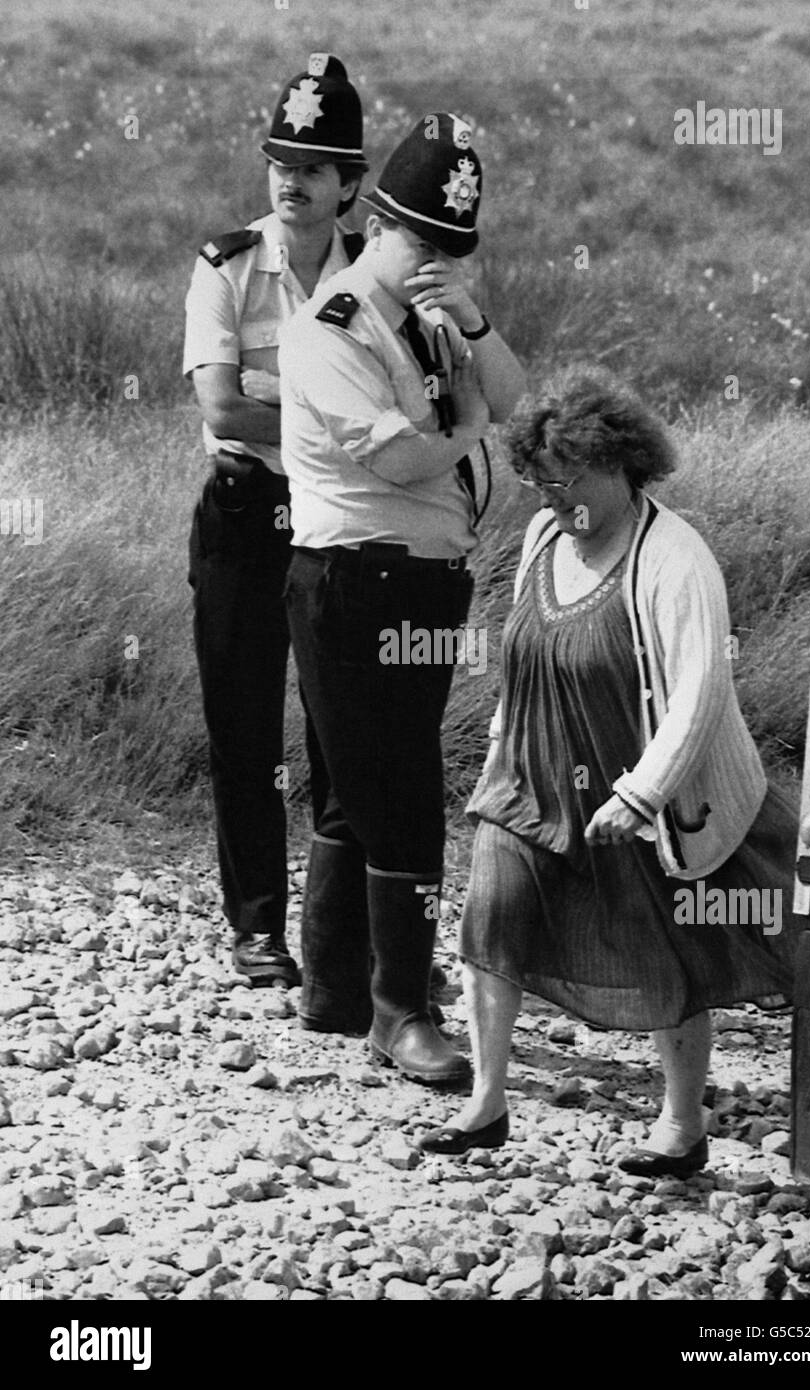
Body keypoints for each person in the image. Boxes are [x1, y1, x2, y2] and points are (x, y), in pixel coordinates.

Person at [420, 363, 801, 1163]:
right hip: (531, 774)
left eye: (569, 485)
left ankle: (681, 1124)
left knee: (661, 949)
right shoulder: (541, 537)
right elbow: (525, 660)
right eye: (541, 486)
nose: (556, 504)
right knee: (489, 921)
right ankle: (487, 1104)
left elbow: (699, 691)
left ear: (624, 465)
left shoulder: (675, 557)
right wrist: (496, 756)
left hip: (639, 788)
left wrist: (642, 792)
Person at [279, 113, 525, 1083]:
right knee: (402, 791)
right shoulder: (331, 326)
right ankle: (402, 1010)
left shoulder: (431, 315)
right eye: (420, 238)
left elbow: (513, 395)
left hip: (423, 583)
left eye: (447, 245)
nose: (432, 258)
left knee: (351, 789)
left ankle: (335, 993)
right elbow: (396, 452)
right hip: (354, 580)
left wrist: (470, 319)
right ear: (376, 221)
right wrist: (463, 423)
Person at [184, 55, 367, 984]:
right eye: (279, 163)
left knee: (340, 731)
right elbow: (222, 410)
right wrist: (333, 419)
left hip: (336, 522)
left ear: (349, 185)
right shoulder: (226, 264)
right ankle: (256, 928)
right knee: (244, 730)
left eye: (313, 169)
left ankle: (344, 940)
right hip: (245, 512)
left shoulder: (374, 276)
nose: (291, 182)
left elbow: (410, 414)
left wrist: (277, 398)